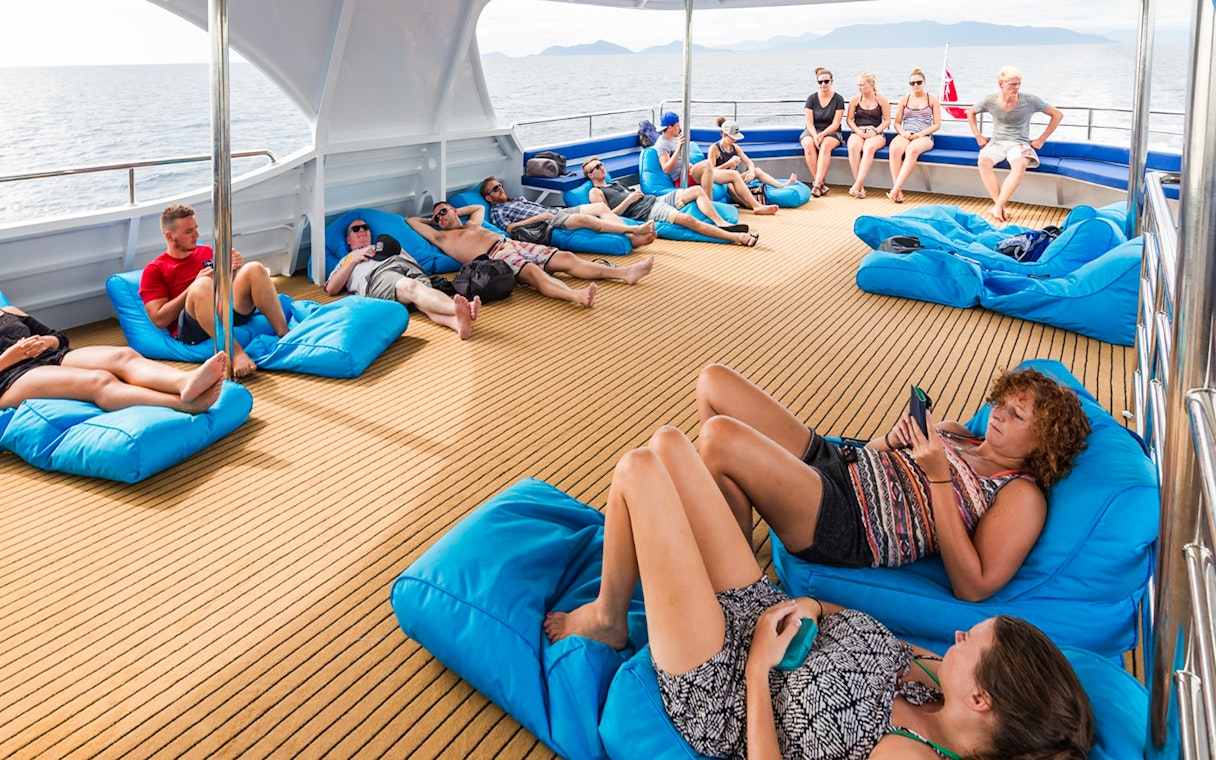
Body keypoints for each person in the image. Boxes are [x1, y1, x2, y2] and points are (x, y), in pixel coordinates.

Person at [544, 425, 1094, 759]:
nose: (956, 635)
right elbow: (850, 628)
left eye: (970, 642)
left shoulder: (912, 755)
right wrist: (812, 605)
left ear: (982, 701)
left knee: (639, 469)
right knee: (668, 444)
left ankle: (607, 618)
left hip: (726, 685)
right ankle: (625, 602)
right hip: (766, 612)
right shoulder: (938, 676)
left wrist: (759, 667)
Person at [694, 363, 1090, 603]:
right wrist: (892, 440)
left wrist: (939, 478)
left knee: (720, 438)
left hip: (849, 520)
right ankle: (734, 557)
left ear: (1044, 442)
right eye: (1001, 404)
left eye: (1016, 415)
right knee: (714, 382)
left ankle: (734, 589)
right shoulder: (955, 433)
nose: (999, 414)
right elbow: (877, 456)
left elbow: (974, 586)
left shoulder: (1021, 493)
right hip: (840, 464)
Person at [406, 201, 654, 309]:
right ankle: (575, 296)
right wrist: (432, 219)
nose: (441, 217)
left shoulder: (472, 224)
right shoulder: (442, 237)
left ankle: (624, 273)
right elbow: (409, 220)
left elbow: (479, 207)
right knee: (533, 273)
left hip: (510, 242)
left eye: (444, 212)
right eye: (437, 216)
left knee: (566, 258)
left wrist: (455, 210)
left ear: (454, 210)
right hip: (495, 256)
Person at [140, 204, 291, 378]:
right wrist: (193, 286)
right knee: (202, 284)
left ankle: (285, 336)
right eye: (189, 231)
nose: (196, 235)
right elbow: (159, 319)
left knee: (254, 268)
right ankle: (236, 354)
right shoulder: (155, 269)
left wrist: (232, 269)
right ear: (169, 235)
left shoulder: (206, 252)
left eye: (196, 229)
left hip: (224, 309)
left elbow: (227, 284)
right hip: (193, 327)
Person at [0, 304, 228, 414]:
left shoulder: (9, 310)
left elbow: (59, 337)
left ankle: (185, 382)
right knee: (98, 380)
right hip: (11, 378)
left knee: (123, 355)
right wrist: (12, 357)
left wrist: (47, 342)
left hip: (52, 356)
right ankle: (185, 405)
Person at [325, 218, 479, 340]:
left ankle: (457, 324)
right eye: (355, 229)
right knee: (411, 287)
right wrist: (355, 260)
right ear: (348, 240)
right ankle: (455, 308)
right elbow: (332, 288)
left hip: (405, 266)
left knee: (421, 298)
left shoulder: (383, 245)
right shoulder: (347, 259)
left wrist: (399, 250)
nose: (362, 231)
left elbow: (418, 266)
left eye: (365, 227)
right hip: (378, 275)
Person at [581, 156, 759, 247]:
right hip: (648, 211)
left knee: (696, 190)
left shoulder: (615, 183)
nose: (601, 167)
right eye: (596, 167)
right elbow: (607, 215)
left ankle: (721, 222)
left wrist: (636, 194)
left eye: (601, 164)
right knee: (689, 220)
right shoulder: (595, 192)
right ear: (590, 175)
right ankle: (737, 237)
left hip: (654, 200)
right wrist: (629, 200)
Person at [966, 66, 1064, 223]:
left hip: (1019, 143)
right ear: (1001, 84)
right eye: (1012, 84)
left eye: (1018, 84)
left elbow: (1057, 115)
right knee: (983, 161)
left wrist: (1041, 139)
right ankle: (1000, 207)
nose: (1016, 87)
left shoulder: (1030, 100)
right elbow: (970, 112)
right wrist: (978, 135)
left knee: (1019, 165)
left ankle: (997, 207)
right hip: (997, 142)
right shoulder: (989, 100)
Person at [479, 178, 657, 248]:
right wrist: (538, 218)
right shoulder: (497, 210)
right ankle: (633, 232)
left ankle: (630, 235)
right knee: (585, 219)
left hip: (555, 211)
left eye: (500, 185)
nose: (500, 189)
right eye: (495, 189)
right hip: (546, 222)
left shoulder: (517, 199)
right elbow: (509, 229)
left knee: (600, 208)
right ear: (488, 198)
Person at [694, 118, 781, 215]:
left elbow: (749, 162)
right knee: (733, 176)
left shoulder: (734, 147)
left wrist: (751, 173)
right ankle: (755, 206)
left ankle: (780, 186)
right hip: (718, 177)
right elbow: (710, 170)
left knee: (756, 170)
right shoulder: (714, 148)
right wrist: (728, 164)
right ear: (724, 134)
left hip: (731, 177)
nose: (735, 140)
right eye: (732, 137)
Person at [887, 68, 942, 203]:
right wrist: (904, 133)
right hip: (906, 133)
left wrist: (921, 134)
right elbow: (897, 123)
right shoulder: (904, 100)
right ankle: (897, 190)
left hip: (924, 136)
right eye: (912, 83)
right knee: (895, 149)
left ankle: (896, 188)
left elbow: (936, 124)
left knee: (912, 150)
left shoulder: (932, 99)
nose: (916, 85)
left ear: (924, 82)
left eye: (918, 82)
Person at [800, 67, 846, 197]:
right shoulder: (812, 98)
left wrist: (822, 134)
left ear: (831, 81)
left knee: (825, 145)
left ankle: (817, 184)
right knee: (808, 144)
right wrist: (815, 135)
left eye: (826, 81)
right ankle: (819, 184)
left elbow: (836, 123)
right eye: (820, 82)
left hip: (831, 131)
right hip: (813, 130)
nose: (823, 84)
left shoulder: (838, 99)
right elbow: (809, 122)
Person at [845, 72, 891, 199]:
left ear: (871, 84)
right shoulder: (855, 100)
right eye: (858, 85)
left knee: (869, 148)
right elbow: (849, 120)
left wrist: (875, 132)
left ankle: (857, 185)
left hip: (876, 132)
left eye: (862, 85)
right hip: (858, 130)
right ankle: (860, 187)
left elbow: (887, 120)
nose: (859, 88)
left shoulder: (881, 99)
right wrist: (858, 132)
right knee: (853, 147)